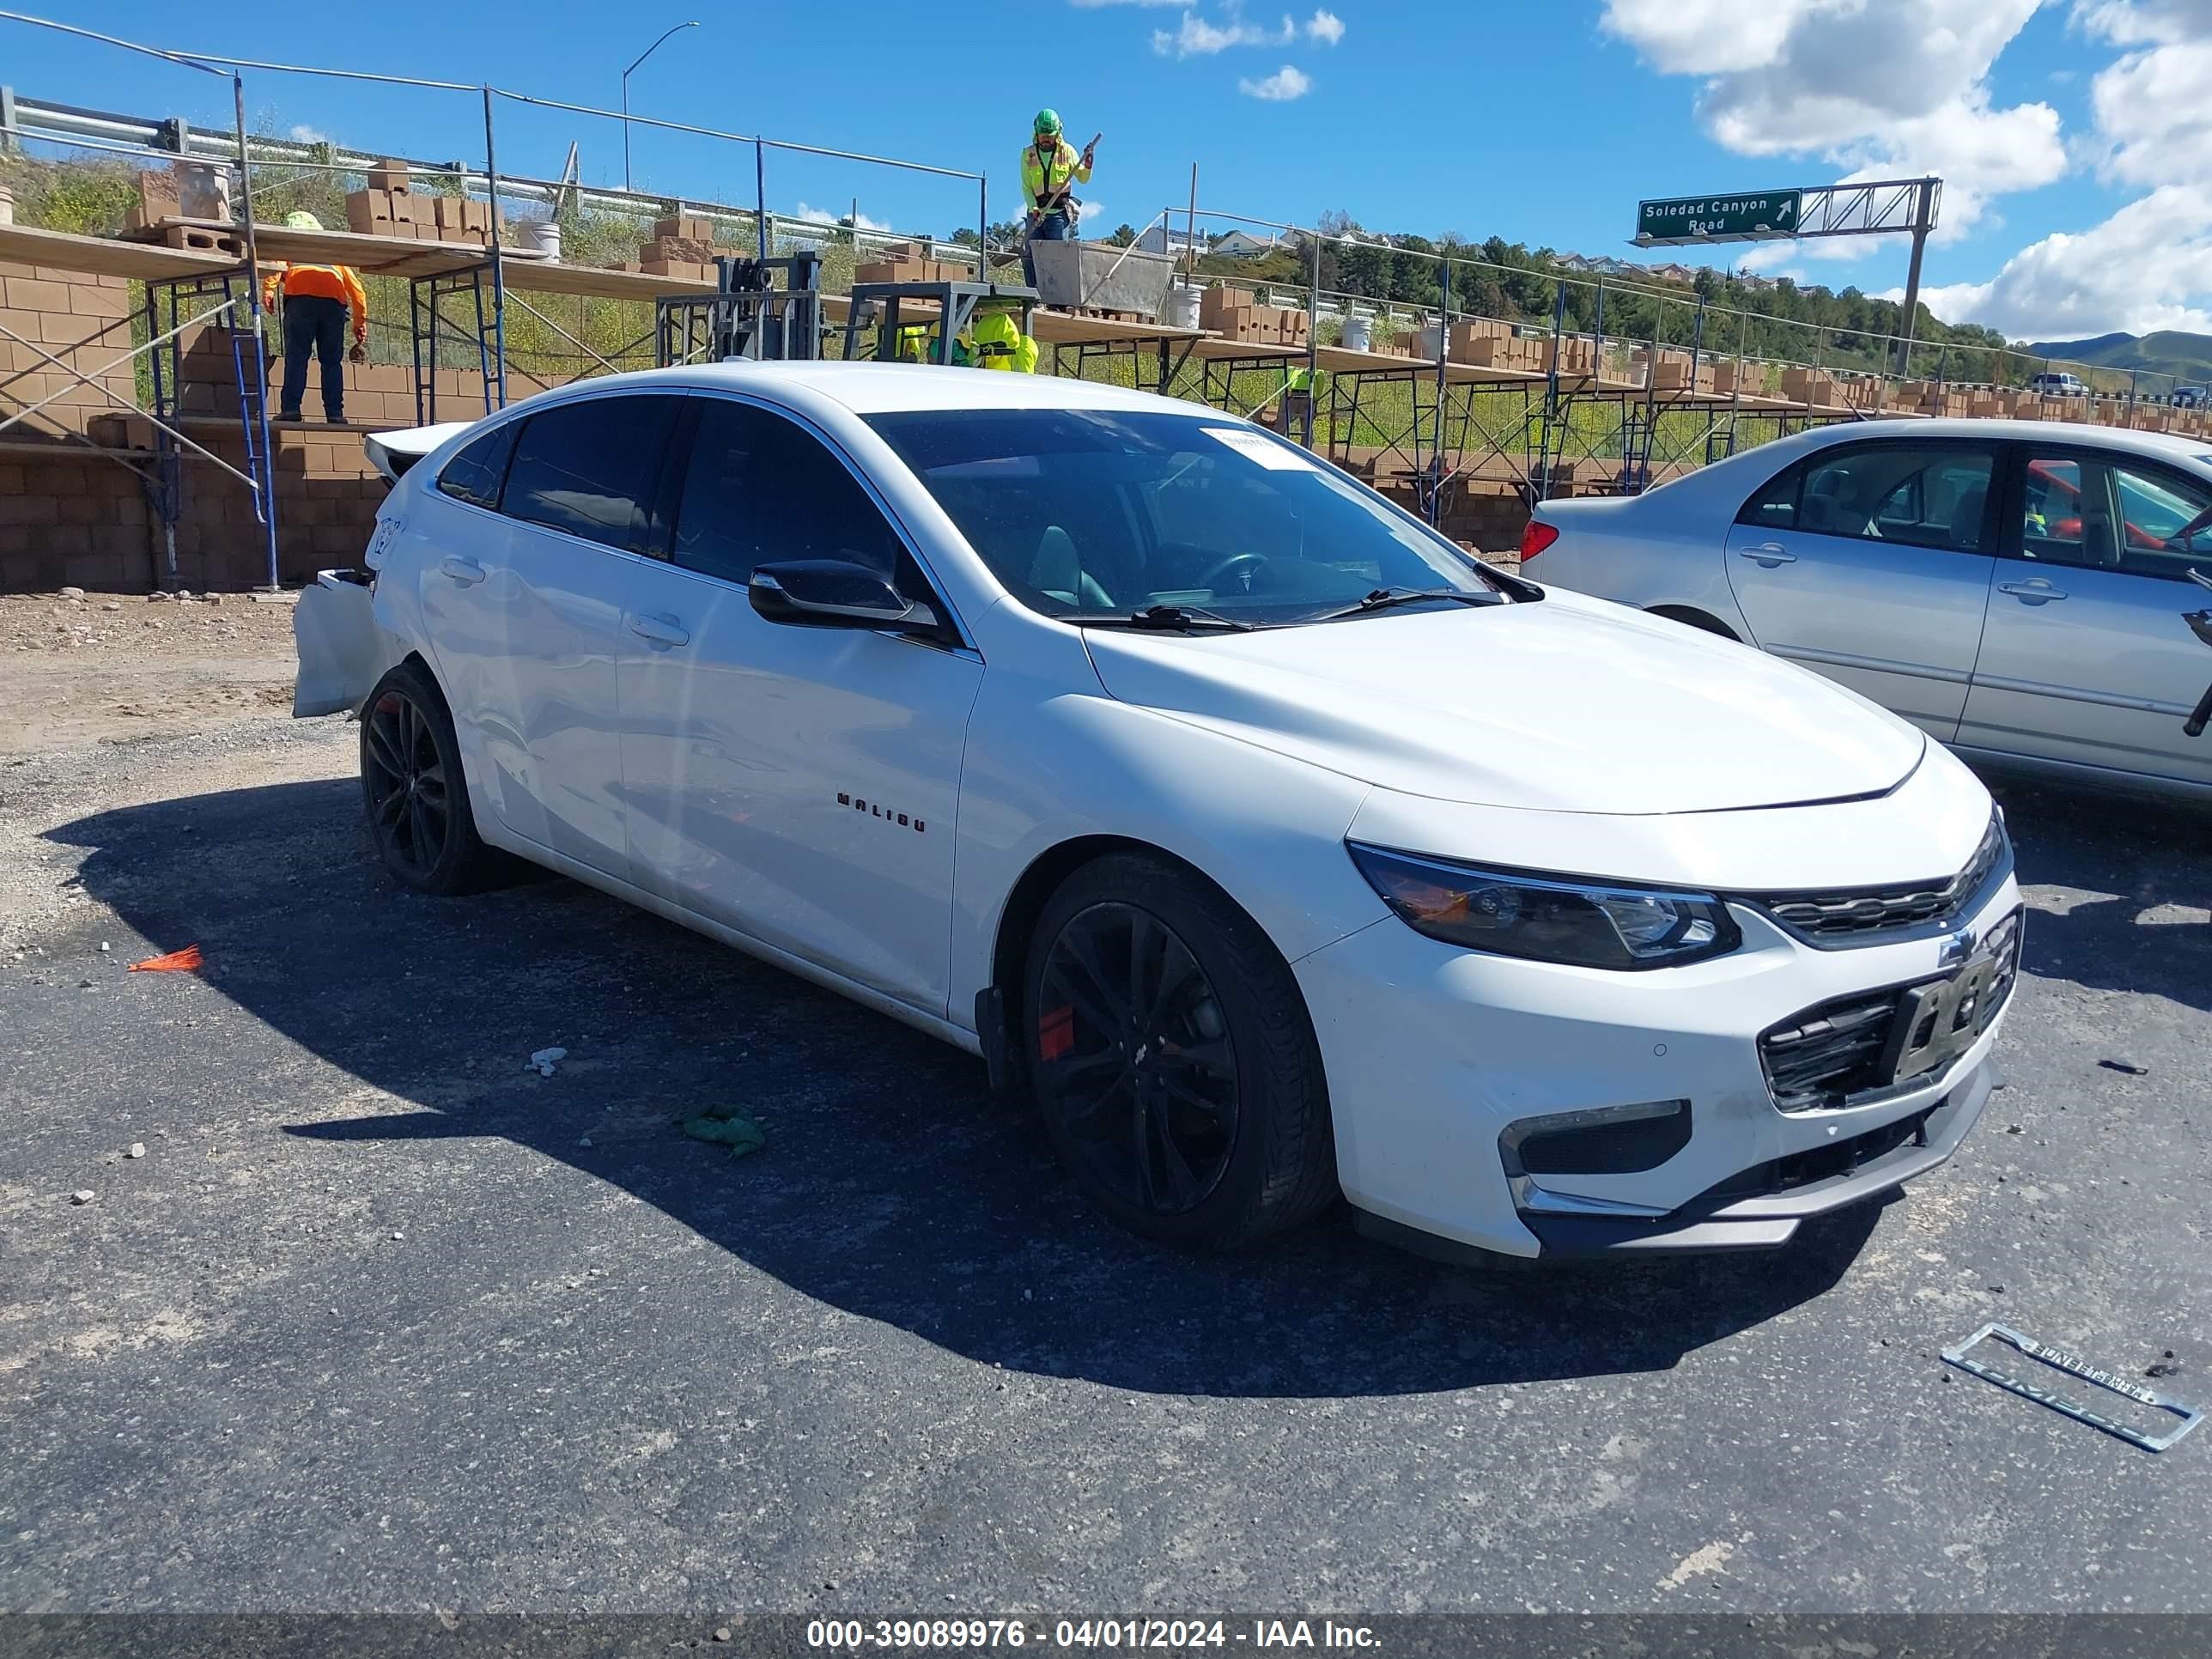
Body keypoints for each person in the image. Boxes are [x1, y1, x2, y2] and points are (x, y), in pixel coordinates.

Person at [261, 210, 368, 423]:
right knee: (331, 363)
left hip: (301, 304)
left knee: (297, 358)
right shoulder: (332, 256)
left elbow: (276, 266)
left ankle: (291, 410)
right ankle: (335, 414)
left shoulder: (292, 244)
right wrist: (359, 322)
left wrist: (268, 290)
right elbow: (358, 291)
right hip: (334, 307)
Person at [1020, 110, 1093, 287]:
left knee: (1057, 257)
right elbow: (1026, 186)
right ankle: (1033, 294)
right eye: (1043, 135)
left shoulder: (1067, 152)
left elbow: (1082, 178)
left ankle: (1056, 298)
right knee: (1030, 254)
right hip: (1037, 212)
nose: (1046, 139)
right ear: (1036, 133)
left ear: (1058, 134)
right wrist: (1033, 209)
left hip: (1058, 215)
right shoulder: (1028, 154)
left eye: (1050, 136)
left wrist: (1088, 164)